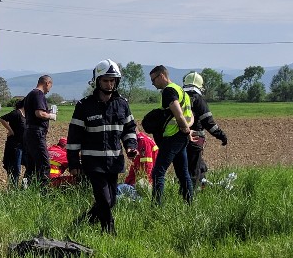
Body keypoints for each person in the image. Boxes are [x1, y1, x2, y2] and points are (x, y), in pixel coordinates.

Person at [67, 59, 137, 234]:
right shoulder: (84, 106)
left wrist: (130, 146)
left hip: (114, 161)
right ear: (97, 81)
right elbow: (74, 136)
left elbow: (129, 129)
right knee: (104, 199)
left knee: (111, 201)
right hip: (93, 162)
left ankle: (83, 222)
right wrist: (74, 163)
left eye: (112, 80)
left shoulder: (122, 104)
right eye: (105, 80)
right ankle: (109, 231)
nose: (109, 84)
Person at [148, 65, 194, 204]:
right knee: (182, 172)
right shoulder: (181, 90)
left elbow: (178, 113)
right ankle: (190, 204)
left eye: (153, 79)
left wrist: (186, 130)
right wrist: (187, 130)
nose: (153, 83)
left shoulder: (169, 91)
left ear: (162, 76)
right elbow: (191, 115)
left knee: (158, 172)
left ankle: (157, 206)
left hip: (172, 137)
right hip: (181, 136)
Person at [182, 71, 228, 188]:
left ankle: (200, 187)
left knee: (194, 167)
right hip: (195, 140)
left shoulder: (178, 98)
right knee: (194, 170)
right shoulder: (198, 99)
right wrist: (221, 135)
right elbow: (208, 122)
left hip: (179, 139)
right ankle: (191, 195)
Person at [22, 75, 55, 188]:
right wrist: (51, 115)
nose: (49, 90)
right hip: (37, 133)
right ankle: (44, 191)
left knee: (31, 166)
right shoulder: (39, 94)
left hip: (29, 132)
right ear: (47, 83)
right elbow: (39, 113)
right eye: (50, 86)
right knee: (44, 165)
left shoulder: (30, 94)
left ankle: (24, 189)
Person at [0, 99, 26, 187]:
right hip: (15, 145)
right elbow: (2, 119)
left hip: (24, 145)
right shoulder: (17, 113)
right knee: (16, 169)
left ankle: (23, 187)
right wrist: (10, 130)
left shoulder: (27, 115)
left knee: (29, 166)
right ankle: (13, 188)